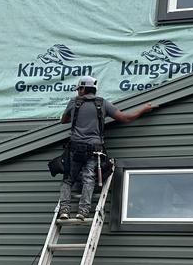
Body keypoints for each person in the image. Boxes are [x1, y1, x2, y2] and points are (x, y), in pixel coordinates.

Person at [58, 75, 152, 220]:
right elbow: (125, 118)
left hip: (75, 148)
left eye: (79, 89)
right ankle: (83, 212)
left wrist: (78, 114)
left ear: (83, 88)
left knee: (68, 179)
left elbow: (64, 120)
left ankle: (64, 210)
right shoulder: (102, 104)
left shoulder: (74, 102)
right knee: (89, 179)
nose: (77, 92)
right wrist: (143, 110)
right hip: (94, 149)